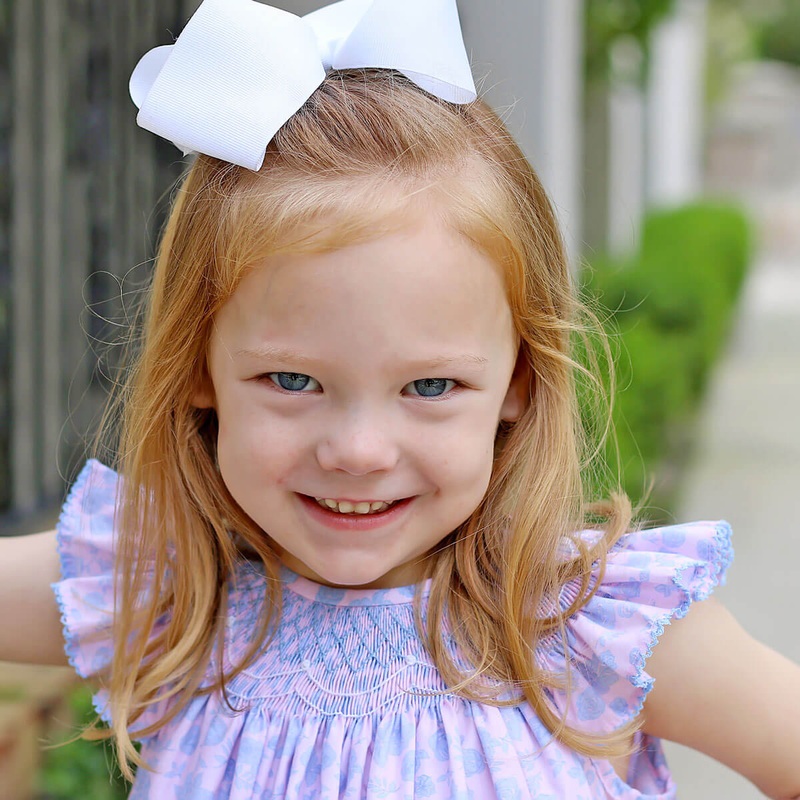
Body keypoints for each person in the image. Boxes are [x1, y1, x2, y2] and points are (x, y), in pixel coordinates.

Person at [1, 0, 799, 797]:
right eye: (292, 381)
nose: (358, 450)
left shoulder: (595, 627)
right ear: (200, 368)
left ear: (516, 385)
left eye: (429, 386)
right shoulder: (168, 591)